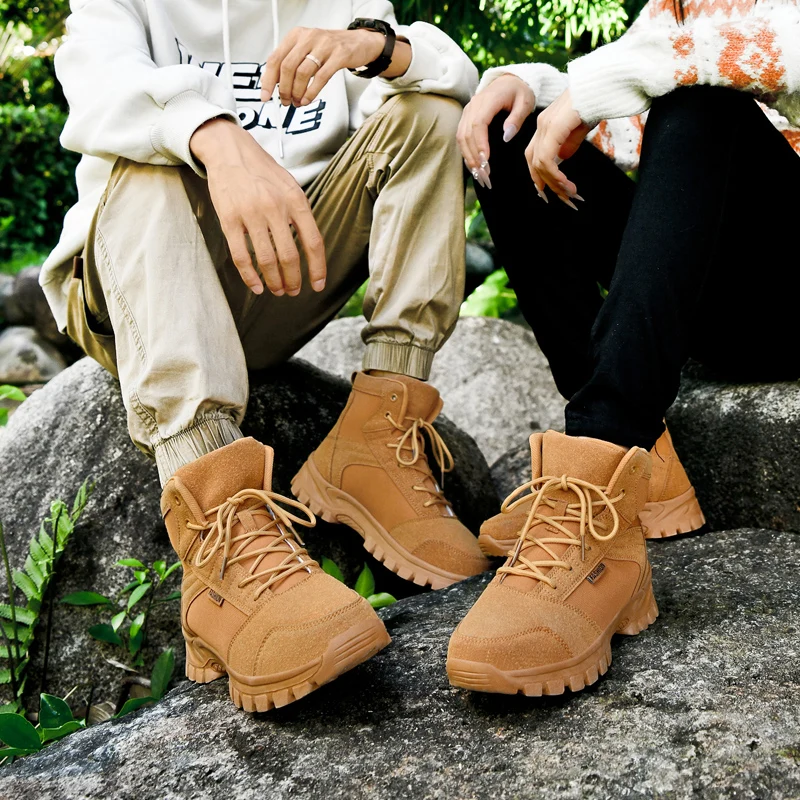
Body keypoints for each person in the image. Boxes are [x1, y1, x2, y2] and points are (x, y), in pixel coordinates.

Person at [44, 0, 489, 711]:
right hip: (133, 291)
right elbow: (97, 81)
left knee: (429, 112)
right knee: (148, 161)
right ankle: (219, 535)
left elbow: (457, 79)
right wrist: (215, 137)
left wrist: (375, 49)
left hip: (276, 275)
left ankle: (377, 435)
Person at [446, 0, 800, 695]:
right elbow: (619, 106)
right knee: (510, 133)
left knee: (702, 94)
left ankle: (602, 454)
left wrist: (598, 88)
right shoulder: (678, 7)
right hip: (721, 302)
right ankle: (632, 472)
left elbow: (769, 51)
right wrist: (530, 85)